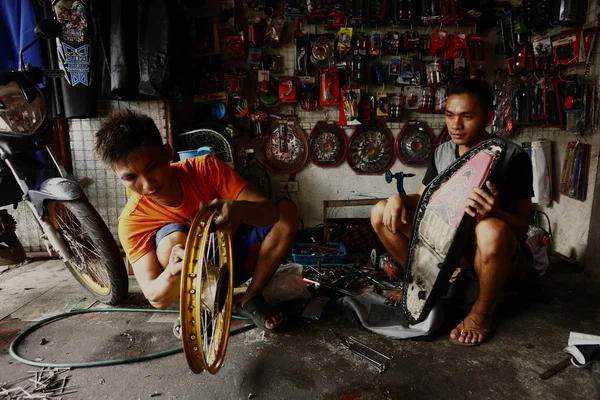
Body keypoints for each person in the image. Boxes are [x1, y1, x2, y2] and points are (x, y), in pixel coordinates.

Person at [94, 110, 298, 332]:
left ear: (167, 153)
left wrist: (239, 210)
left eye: (152, 167)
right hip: (192, 281)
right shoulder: (132, 220)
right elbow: (156, 297)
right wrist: (173, 271)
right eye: (131, 178)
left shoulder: (206, 169)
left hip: (236, 261)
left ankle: (251, 298)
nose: (148, 185)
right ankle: (197, 308)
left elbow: (270, 213)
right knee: (172, 237)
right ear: (119, 177)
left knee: (286, 211)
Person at [370, 79, 533, 346]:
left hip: (493, 255)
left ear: (489, 117)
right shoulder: (443, 152)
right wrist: (397, 198)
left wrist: (495, 212)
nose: (455, 125)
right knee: (380, 212)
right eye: (449, 115)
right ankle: (427, 285)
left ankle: (482, 311)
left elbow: (523, 227)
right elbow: (425, 199)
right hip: (452, 248)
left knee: (490, 228)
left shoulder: (512, 158)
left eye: (467, 116)